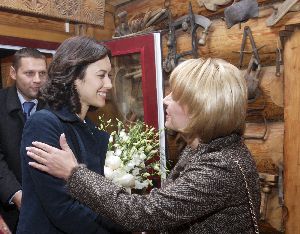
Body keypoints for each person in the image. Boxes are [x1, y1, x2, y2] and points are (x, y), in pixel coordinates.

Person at [26, 58, 261, 233]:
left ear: (204, 108)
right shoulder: (201, 148)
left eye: (176, 96)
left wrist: (74, 173)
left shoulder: (222, 165)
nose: (164, 100)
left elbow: (144, 213)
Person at [16, 36, 128, 234]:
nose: (109, 84)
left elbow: (96, 199)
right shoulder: (43, 123)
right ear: (74, 75)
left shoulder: (90, 129)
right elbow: (62, 209)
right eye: (101, 75)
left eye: (109, 76)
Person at [0, 47, 47, 233]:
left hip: (49, 208)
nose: (37, 80)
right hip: (9, 208)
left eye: (42, 73)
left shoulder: (55, 105)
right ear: (13, 73)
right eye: (29, 73)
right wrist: (16, 194)